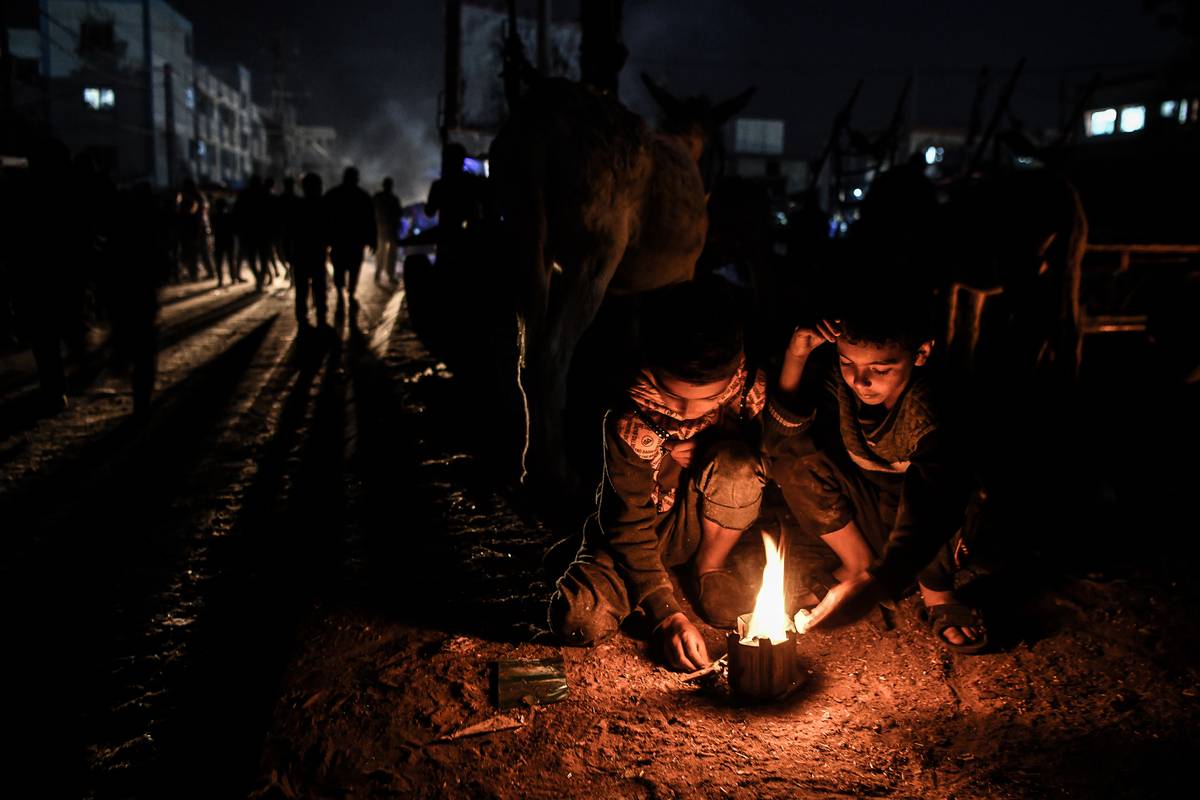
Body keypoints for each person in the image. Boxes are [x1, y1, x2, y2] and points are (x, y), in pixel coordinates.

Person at [548, 280, 803, 671]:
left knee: (735, 464)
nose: (686, 412)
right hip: (646, 529)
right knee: (577, 620)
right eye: (672, 395)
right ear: (651, 364)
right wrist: (666, 612)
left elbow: (782, 458)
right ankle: (647, 578)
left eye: (704, 398)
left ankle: (709, 568)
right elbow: (627, 524)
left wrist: (718, 445)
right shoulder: (628, 420)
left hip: (707, 524)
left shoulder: (747, 390)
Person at [768, 281, 988, 653]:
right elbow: (778, 440)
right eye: (847, 362)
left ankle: (936, 592)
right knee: (793, 458)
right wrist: (796, 356)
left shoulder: (930, 409)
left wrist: (878, 584)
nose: (861, 380)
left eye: (880, 369)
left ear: (920, 353)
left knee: (939, 499)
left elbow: (934, 504)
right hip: (874, 508)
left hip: (932, 526)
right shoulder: (843, 379)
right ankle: (856, 564)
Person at [323, 166, 375, 311]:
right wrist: (372, 239)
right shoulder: (362, 196)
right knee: (353, 268)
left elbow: (324, 218)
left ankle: (342, 292)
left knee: (339, 268)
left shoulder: (333, 194)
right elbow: (370, 220)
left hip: (338, 241)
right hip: (355, 242)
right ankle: (350, 293)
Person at [289, 173, 330, 330]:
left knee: (302, 289)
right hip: (317, 253)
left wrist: (288, 252)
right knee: (318, 287)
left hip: (301, 254)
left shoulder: (298, 206)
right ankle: (320, 317)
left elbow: (289, 231)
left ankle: (302, 317)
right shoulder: (322, 206)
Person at [373, 177, 402, 285]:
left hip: (382, 230)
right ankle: (387, 274)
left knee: (382, 253)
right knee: (388, 254)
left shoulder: (378, 197)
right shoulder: (393, 199)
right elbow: (398, 214)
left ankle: (380, 272)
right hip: (387, 231)